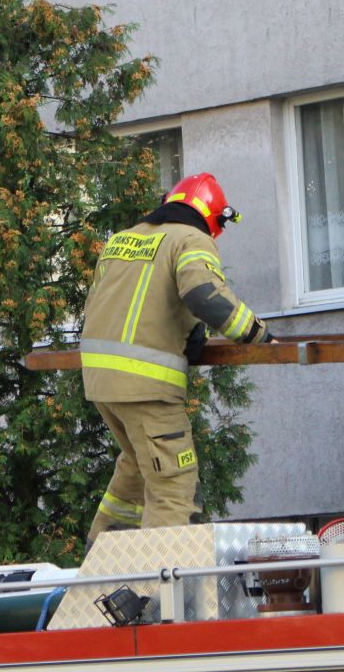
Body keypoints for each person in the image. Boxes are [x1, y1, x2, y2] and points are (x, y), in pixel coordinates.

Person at [80, 172, 273, 543]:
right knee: (174, 487)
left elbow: (127, 304)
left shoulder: (122, 240)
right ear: (216, 219)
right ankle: (151, 595)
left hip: (103, 383)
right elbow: (205, 296)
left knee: (137, 469)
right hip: (147, 387)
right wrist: (258, 334)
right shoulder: (190, 238)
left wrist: (190, 332)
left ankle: (98, 571)